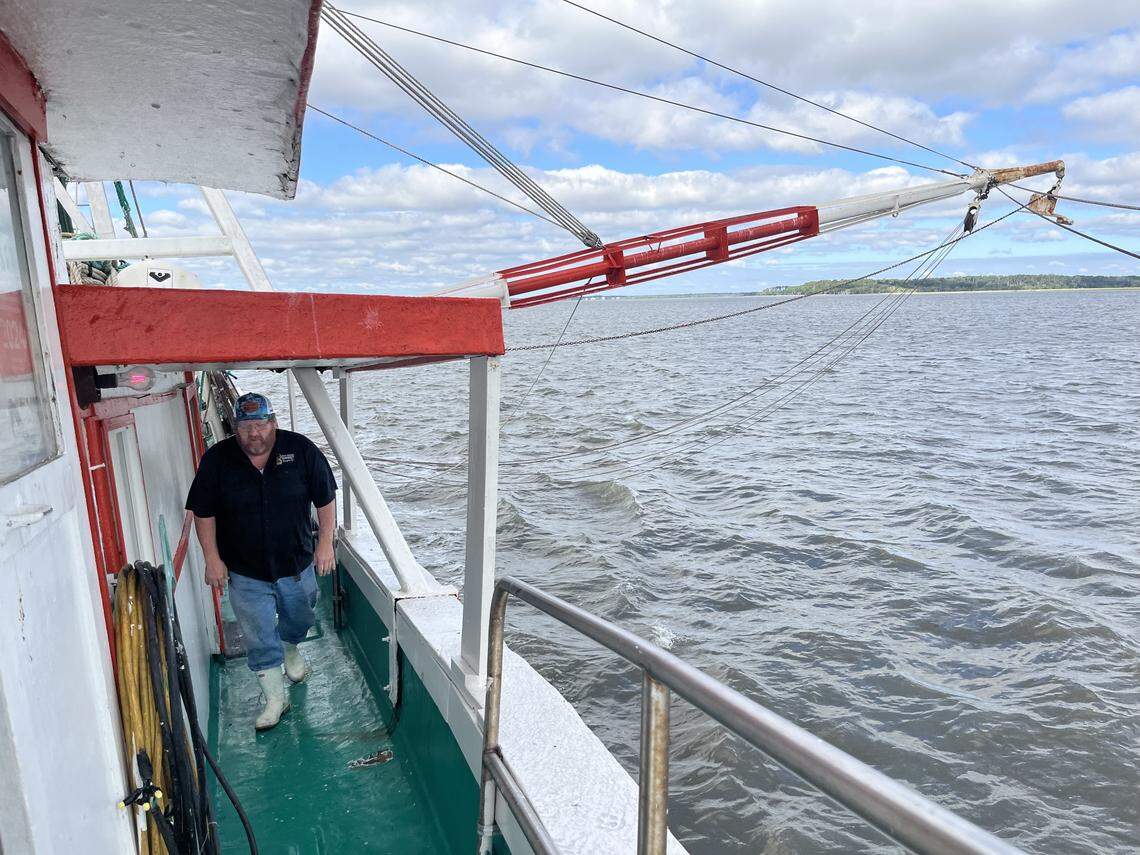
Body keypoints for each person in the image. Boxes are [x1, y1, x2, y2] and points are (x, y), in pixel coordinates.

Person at [185, 392, 337, 730]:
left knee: (301, 616)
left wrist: (325, 543)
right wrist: (212, 559)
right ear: (235, 428)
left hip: (296, 565)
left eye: (260, 424)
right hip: (245, 571)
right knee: (257, 633)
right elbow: (203, 512)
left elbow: (325, 498)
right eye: (245, 426)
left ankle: (291, 649)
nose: (254, 433)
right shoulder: (217, 460)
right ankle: (275, 699)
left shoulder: (301, 450)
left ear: (273, 423)